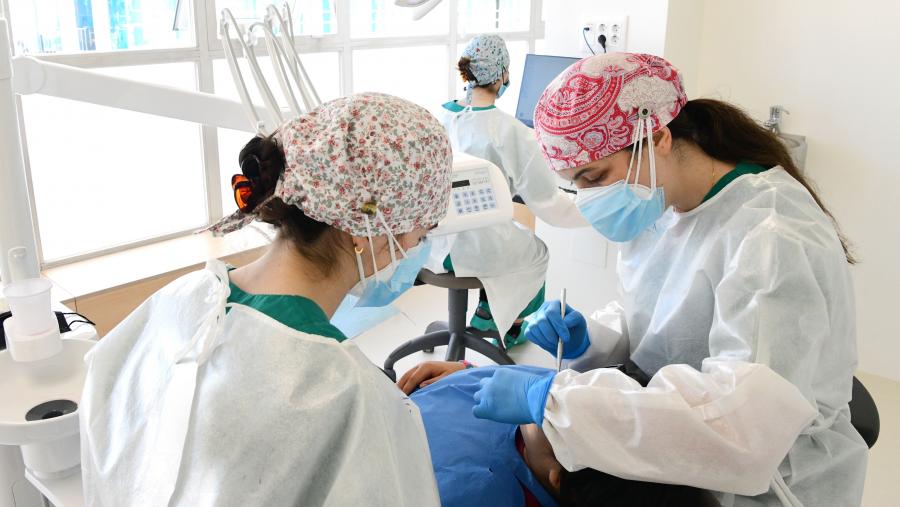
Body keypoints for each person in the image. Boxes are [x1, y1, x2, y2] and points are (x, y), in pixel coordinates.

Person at [470, 52, 867, 506]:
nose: (587, 198)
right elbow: (658, 318)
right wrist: (591, 341)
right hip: (678, 446)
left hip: (774, 482)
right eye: (575, 183)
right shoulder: (659, 205)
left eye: (593, 176)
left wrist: (555, 400)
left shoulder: (774, 236)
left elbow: (743, 426)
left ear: (656, 136)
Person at [79, 93, 453, 506]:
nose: (418, 249)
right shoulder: (347, 394)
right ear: (368, 234)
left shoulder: (176, 300)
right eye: (421, 234)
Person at [431, 34, 587, 347]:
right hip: (479, 248)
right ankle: (509, 322)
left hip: (433, 245)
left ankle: (490, 310)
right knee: (536, 250)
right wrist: (593, 207)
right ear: (503, 74)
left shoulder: (439, 116)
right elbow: (549, 206)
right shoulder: (512, 131)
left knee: (508, 232)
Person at [400, 361, 720, 507]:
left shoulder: (484, 493)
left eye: (557, 416)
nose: (560, 393)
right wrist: (467, 372)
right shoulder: (553, 394)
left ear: (556, 476)